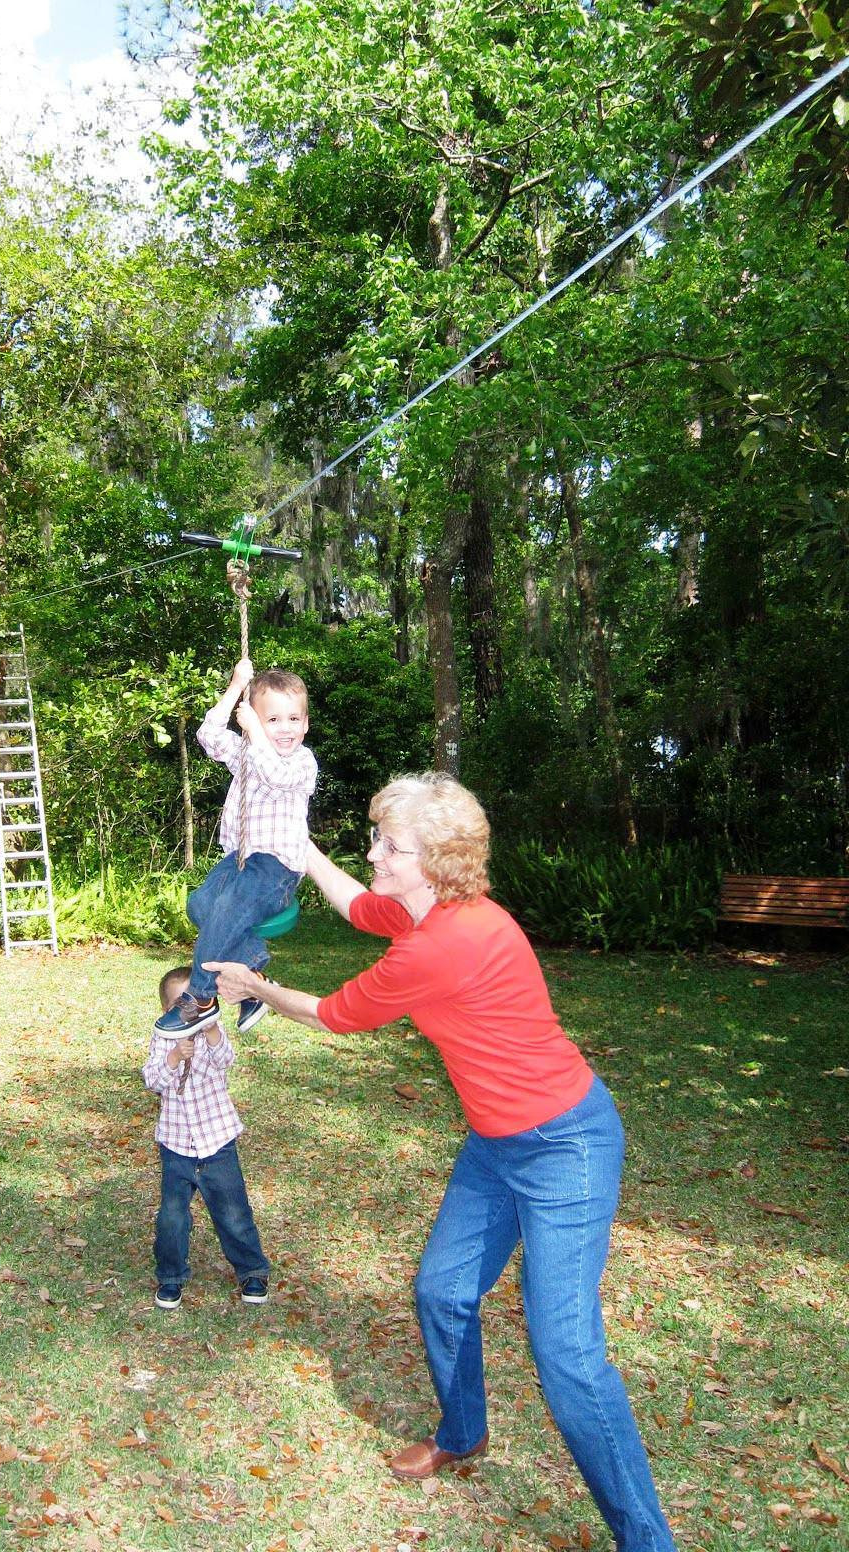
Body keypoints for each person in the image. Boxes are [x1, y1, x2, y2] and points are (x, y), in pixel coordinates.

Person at [204, 774, 676, 1552]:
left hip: (567, 1146)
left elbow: (334, 1015)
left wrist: (257, 985)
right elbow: (362, 906)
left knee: (567, 1357)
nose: (377, 853)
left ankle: (648, 1540)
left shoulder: (448, 941)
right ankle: (464, 1432)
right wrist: (306, 851)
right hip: (496, 1143)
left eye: (393, 846)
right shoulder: (430, 906)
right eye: (378, 839)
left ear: (438, 861)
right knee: (443, 1289)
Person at [154, 659, 317, 1039]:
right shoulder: (247, 750)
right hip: (239, 861)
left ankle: (201, 997)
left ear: (306, 724)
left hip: (275, 870)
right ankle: (254, 972)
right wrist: (235, 688)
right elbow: (209, 736)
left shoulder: (301, 762)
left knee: (226, 909)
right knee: (200, 905)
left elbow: (275, 775)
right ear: (255, 721)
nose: (285, 728)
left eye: (294, 719)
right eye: (273, 719)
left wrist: (256, 734)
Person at [142, 964, 270, 1310]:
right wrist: (172, 1057)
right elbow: (152, 1079)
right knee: (172, 1216)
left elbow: (225, 1059)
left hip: (217, 1142)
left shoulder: (211, 1029)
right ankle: (170, 1277)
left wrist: (211, 1030)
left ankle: (252, 1270)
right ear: (168, 1011)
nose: (189, 1009)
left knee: (233, 1212)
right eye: (179, 1004)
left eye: (195, 1000)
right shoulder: (163, 1037)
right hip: (177, 1144)